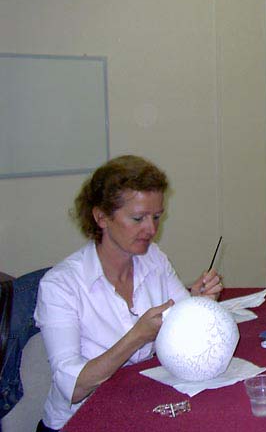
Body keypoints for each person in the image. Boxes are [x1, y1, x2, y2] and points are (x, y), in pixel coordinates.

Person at [34, 155, 223, 431]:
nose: (152, 229)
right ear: (101, 217)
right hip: (77, 422)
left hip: (134, 407)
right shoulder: (60, 286)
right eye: (138, 218)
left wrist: (199, 305)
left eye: (156, 217)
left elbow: (187, 336)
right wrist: (137, 337)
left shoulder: (154, 259)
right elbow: (72, 388)